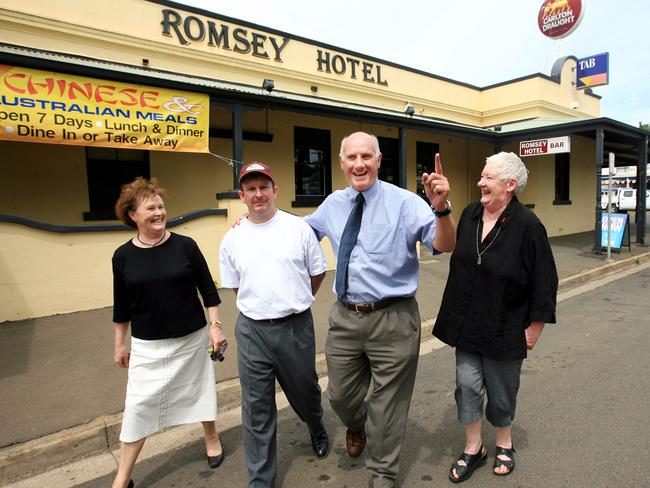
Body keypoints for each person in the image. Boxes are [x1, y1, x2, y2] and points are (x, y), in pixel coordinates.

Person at [304, 131, 457, 488]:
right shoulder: (333, 204)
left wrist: (442, 208)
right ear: (342, 163)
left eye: (366, 156)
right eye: (352, 157)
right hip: (345, 317)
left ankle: (382, 474)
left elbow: (444, 244)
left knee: (387, 405)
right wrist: (252, 223)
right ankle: (357, 424)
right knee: (340, 395)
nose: (359, 164)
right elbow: (298, 236)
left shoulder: (405, 202)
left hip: (394, 318)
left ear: (378, 161)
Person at [433, 152, 558, 483]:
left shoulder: (528, 226)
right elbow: (456, 253)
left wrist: (535, 326)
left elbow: (545, 279)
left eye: (488, 177)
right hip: (467, 322)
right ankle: (474, 448)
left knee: (502, 390)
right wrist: (441, 206)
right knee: (466, 386)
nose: (480, 183)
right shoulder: (471, 212)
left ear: (511, 184)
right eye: (482, 176)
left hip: (506, 326)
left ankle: (504, 443)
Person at [219, 162, 329, 488]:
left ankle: (316, 425)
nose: (258, 194)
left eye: (263, 187)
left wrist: (295, 300)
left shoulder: (298, 229)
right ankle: (261, 480)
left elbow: (318, 272)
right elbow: (237, 286)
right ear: (242, 195)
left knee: (305, 390)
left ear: (275, 190)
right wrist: (262, 306)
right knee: (256, 408)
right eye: (250, 189)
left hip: (295, 327)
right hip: (252, 330)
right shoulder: (233, 238)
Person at [111, 177, 226, 488]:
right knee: (137, 406)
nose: (159, 212)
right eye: (151, 208)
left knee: (200, 389)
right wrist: (120, 344)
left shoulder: (185, 246)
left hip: (192, 339)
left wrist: (215, 329)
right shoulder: (122, 256)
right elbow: (121, 307)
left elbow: (209, 292)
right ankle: (123, 477)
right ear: (132, 215)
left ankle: (211, 436)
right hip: (147, 345)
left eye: (161, 206)